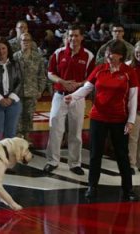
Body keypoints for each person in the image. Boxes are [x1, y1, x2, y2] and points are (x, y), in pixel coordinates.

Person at [65, 40, 139, 201]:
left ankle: (128, 189)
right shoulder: (100, 69)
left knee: (122, 155)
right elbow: (87, 88)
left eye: (111, 55)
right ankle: (92, 187)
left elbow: (133, 100)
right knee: (95, 154)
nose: (108, 58)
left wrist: (131, 121)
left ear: (120, 56)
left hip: (119, 119)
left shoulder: (129, 72)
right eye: (106, 54)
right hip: (98, 117)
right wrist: (73, 96)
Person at [43, 24, 95, 175]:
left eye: (76, 35)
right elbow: (50, 73)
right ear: (67, 37)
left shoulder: (89, 56)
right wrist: (62, 82)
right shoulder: (58, 53)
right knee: (55, 129)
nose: (73, 38)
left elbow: (91, 79)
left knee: (76, 132)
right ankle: (52, 161)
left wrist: (79, 85)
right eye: (70, 35)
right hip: (60, 96)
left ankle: (74, 163)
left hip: (78, 98)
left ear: (82, 37)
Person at [0, 37, 22, 140]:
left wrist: (10, 98)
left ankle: (9, 156)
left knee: (10, 134)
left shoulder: (16, 64)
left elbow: (20, 82)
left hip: (13, 103)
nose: (1, 51)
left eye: (3, 48)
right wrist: (0, 99)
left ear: (8, 49)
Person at [13, 32, 46, 143]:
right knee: (17, 116)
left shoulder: (38, 57)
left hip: (32, 91)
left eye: (28, 40)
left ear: (31, 42)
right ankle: (17, 139)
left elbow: (42, 75)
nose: (26, 42)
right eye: (23, 40)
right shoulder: (15, 57)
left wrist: (40, 90)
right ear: (20, 42)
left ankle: (27, 137)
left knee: (29, 115)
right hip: (17, 92)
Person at [127, 41, 140, 174]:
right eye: (138, 50)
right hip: (133, 109)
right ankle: (131, 164)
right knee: (133, 138)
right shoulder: (128, 66)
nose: (139, 53)